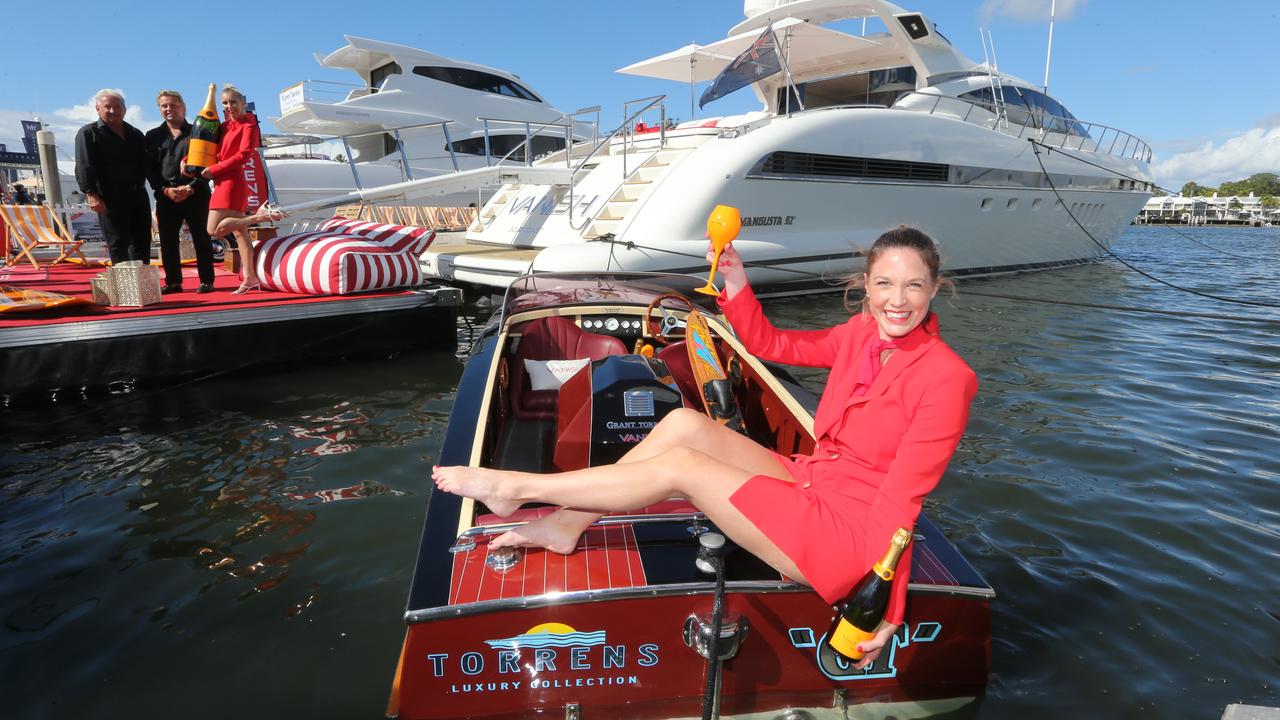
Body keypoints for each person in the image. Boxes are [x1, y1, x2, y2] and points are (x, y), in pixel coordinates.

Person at [432, 226, 978, 668]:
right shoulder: (859, 333)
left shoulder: (948, 378)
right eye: (885, 284)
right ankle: (565, 524)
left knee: (683, 467)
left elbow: (905, 501)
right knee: (683, 426)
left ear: (935, 289)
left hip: (854, 536)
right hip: (814, 478)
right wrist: (736, 280)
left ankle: (516, 489)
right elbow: (770, 344)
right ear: (866, 284)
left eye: (913, 286)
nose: (897, 300)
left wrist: (887, 604)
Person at [198, 84, 270, 294]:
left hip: (231, 182)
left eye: (233, 102)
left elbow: (244, 155)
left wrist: (215, 169)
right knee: (241, 234)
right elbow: (209, 148)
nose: (229, 106)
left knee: (213, 230)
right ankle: (250, 278)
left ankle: (258, 217)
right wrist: (188, 160)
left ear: (243, 103)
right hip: (223, 180)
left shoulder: (249, 125)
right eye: (225, 103)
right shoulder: (224, 126)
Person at [145, 90, 216, 294]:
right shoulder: (152, 136)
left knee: (201, 238)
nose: (169, 109)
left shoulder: (198, 131)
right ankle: (173, 282)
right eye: (164, 106)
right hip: (166, 197)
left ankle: (207, 281)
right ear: (159, 109)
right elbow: (149, 169)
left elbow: (208, 163)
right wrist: (165, 190)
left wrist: (190, 187)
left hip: (196, 194)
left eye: (173, 105)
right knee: (167, 241)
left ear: (183, 107)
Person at [74, 89, 152, 264]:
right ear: (97, 109)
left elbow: (148, 163)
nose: (112, 111)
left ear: (124, 110)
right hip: (109, 197)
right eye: (107, 106)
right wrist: (91, 194)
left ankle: (142, 285)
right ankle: (124, 288)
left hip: (138, 195)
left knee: (142, 242)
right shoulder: (88, 133)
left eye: (117, 107)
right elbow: (83, 165)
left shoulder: (135, 134)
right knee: (118, 243)